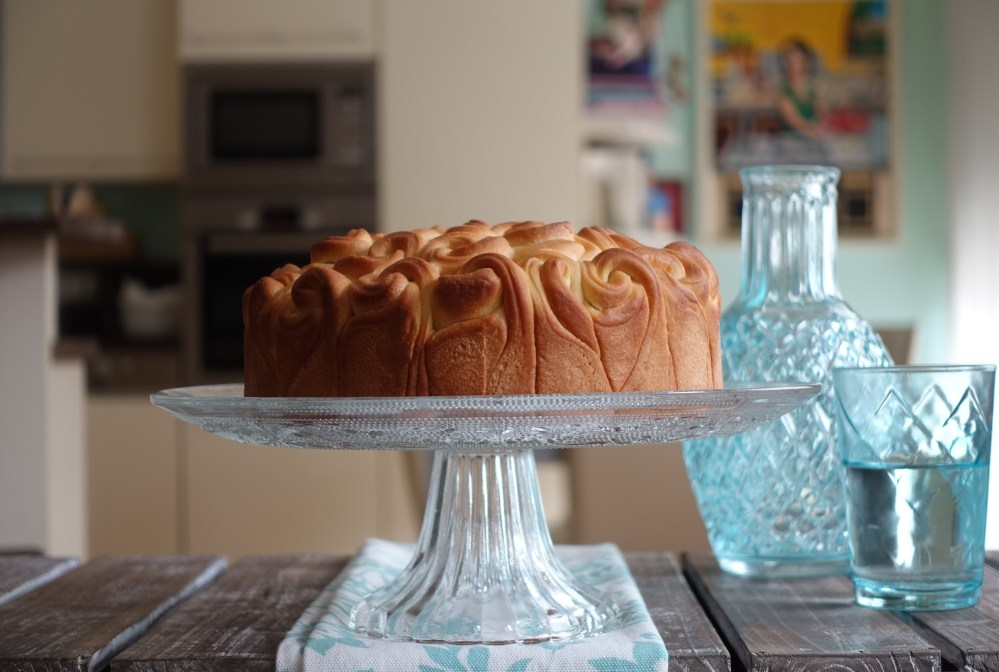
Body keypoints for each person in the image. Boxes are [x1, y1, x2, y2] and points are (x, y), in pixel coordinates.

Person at [775, 38, 828, 141]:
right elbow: (797, 124)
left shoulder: (813, 89)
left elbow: (822, 114)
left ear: (807, 63)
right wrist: (818, 133)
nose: (794, 65)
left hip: (814, 140)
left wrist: (824, 126)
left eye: (798, 60)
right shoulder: (782, 91)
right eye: (790, 60)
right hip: (790, 144)